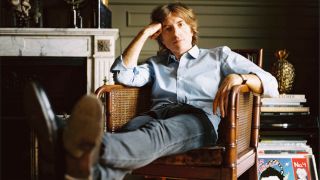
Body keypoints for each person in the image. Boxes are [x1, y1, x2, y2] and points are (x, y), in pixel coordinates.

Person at [24, 2, 279, 180]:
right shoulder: (155, 65)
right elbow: (123, 74)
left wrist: (239, 76)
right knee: (132, 133)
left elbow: (271, 84)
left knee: (156, 133)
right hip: (154, 116)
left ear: (192, 29)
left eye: (180, 24)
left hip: (198, 120)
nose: (176, 31)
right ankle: (87, 170)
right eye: (167, 28)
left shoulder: (218, 56)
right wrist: (143, 33)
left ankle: (65, 140)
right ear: (161, 37)